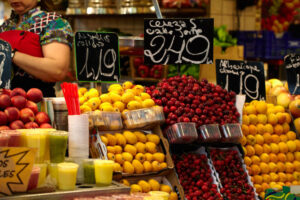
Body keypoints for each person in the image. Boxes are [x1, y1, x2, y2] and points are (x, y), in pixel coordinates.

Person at [0, 0, 73, 97]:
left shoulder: (54, 23)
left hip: (36, 103)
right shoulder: (5, 26)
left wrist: (10, 54)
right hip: (5, 104)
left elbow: (57, 70)